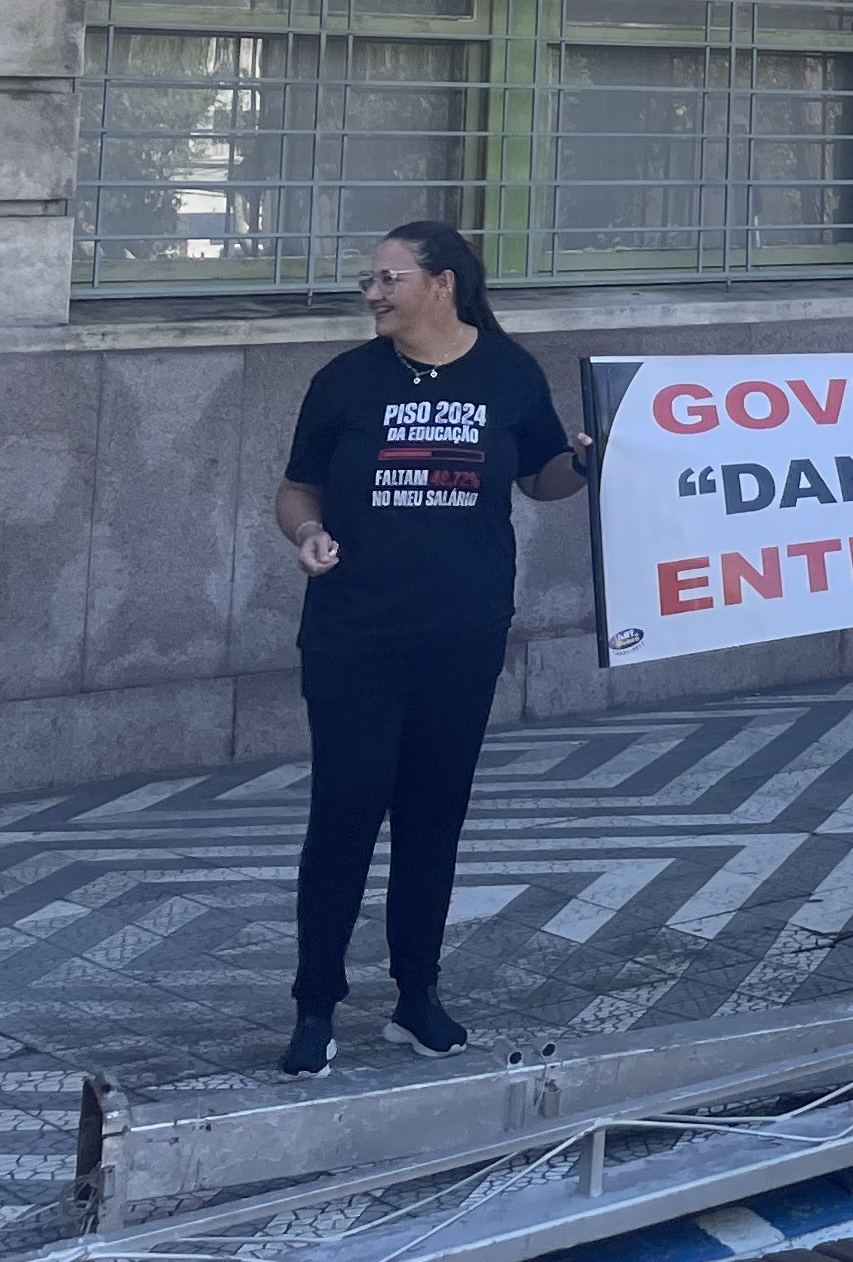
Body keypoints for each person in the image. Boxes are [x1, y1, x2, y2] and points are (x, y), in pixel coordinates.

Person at [274, 219, 587, 1075]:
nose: (371, 294)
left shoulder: (509, 374)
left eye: (388, 279)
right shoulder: (344, 380)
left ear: (442, 283)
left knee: (432, 818)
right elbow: (298, 487)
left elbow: (541, 477)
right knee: (345, 811)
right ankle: (315, 1006)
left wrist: (586, 462)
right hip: (352, 635)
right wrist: (306, 534)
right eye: (369, 281)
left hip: (462, 634)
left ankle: (417, 995)